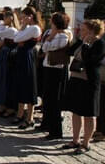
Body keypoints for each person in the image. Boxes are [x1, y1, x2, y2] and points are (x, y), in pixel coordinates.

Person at [63, 19, 105, 154]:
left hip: (89, 81)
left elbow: (90, 61)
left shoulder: (99, 44)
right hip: (77, 79)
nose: (81, 31)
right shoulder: (82, 42)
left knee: (88, 113)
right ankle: (75, 140)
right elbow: (69, 52)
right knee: (76, 111)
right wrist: (80, 41)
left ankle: (86, 143)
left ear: (92, 31)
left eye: (83, 30)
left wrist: (86, 45)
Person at [41, 12, 72, 140]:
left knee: (54, 101)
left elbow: (46, 47)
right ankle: (47, 124)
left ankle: (55, 131)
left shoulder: (63, 36)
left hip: (56, 70)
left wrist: (49, 39)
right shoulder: (55, 34)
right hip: (49, 68)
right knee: (47, 99)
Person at [13, 7, 42, 129]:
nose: (22, 19)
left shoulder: (35, 28)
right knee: (20, 85)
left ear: (30, 16)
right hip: (22, 56)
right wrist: (23, 29)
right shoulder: (29, 28)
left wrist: (23, 28)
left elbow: (17, 38)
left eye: (25, 16)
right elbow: (18, 38)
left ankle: (29, 118)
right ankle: (20, 113)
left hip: (28, 58)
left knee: (29, 86)